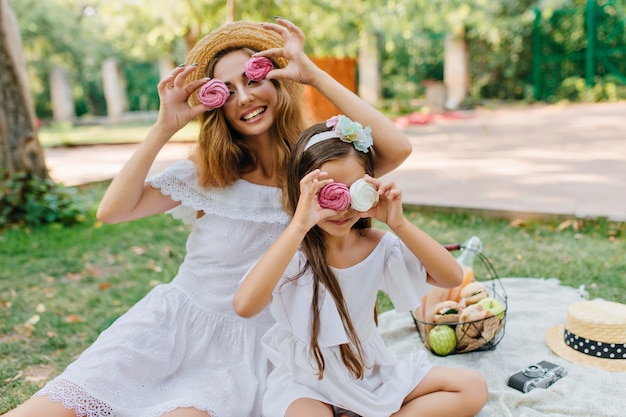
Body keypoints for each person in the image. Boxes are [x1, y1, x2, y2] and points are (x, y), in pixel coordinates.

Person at [5, 18, 412, 417]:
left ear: (277, 81)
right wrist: (164, 126)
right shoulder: (208, 172)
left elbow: (397, 149)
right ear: (213, 102)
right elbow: (112, 210)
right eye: (226, 90)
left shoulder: (313, 171)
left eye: (253, 79)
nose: (244, 98)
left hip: (251, 351)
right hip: (172, 328)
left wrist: (314, 76)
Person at [233, 116, 489, 417]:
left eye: (352, 192)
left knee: (473, 387)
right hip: (307, 381)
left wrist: (399, 223)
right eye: (327, 193)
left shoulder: (377, 246)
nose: (341, 206)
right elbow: (244, 306)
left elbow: (451, 276)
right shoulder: (291, 251)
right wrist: (298, 226)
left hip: (367, 371)